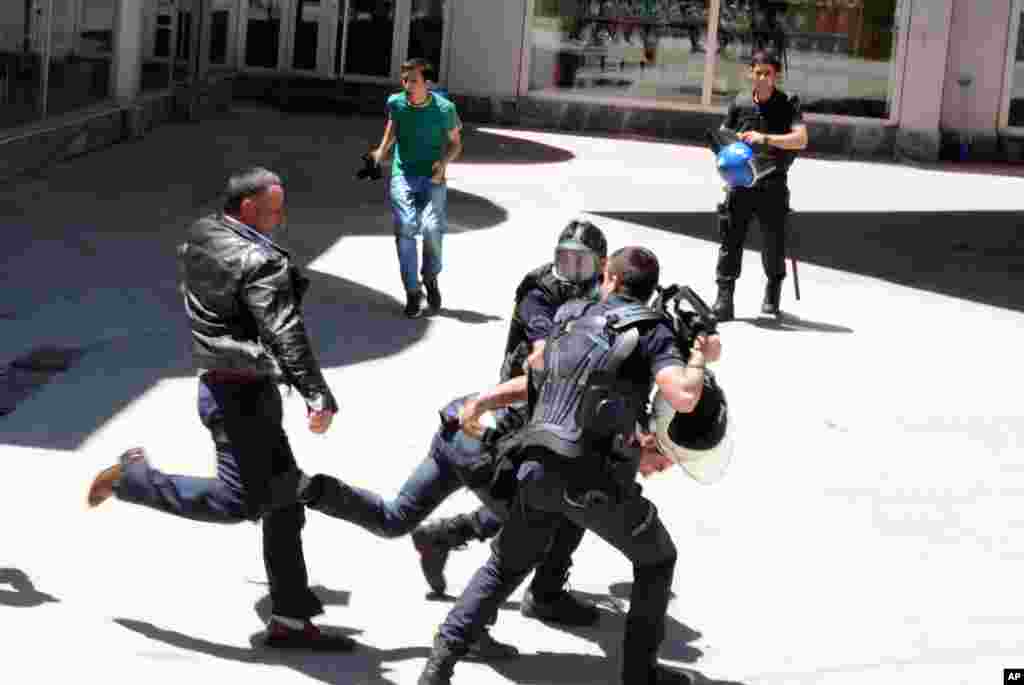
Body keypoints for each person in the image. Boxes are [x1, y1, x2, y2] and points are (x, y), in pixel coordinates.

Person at [418, 246, 723, 685]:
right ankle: (640, 675)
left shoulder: (569, 315)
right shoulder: (654, 332)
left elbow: (537, 375)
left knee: (504, 566)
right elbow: (685, 396)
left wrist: (485, 398)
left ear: (611, 279)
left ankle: (438, 665)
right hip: (595, 479)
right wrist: (699, 356)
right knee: (656, 560)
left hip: (535, 465)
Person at [86, 168, 352, 650]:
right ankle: (132, 480)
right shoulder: (260, 260)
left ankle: (290, 620)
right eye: (274, 210)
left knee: (285, 505)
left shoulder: (204, 232)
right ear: (248, 207)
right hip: (240, 397)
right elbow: (284, 331)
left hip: (228, 384)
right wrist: (316, 393)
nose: (282, 218)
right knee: (239, 502)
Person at [410, 220, 610, 628]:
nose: (570, 270)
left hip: (567, 401)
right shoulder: (538, 291)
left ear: (601, 264)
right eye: (564, 259)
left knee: (546, 497)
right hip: (528, 402)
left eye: (581, 262)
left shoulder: (602, 288)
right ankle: (543, 593)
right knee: (557, 496)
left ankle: (446, 536)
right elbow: (543, 349)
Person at [712, 47, 807, 321]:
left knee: (773, 243)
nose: (763, 78)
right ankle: (724, 299)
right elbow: (722, 136)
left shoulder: (788, 102)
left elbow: (801, 139)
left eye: (768, 73)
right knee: (731, 240)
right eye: (758, 73)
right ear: (750, 74)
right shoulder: (740, 103)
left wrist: (765, 138)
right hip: (740, 184)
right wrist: (729, 148)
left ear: (776, 76)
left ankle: (773, 291)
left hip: (773, 183)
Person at [371, 57, 463, 318]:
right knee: (406, 228)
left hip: (433, 177)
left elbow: (456, 144)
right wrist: (380, 153)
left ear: (427, 82)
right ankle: (412, 291)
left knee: (433, 229)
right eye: (404, 80)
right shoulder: (396, 103)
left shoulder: (445, 109)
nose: (407, 85)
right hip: (403, 175)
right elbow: (393, 129)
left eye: (413, 80)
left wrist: (443, 164)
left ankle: (430, 277)